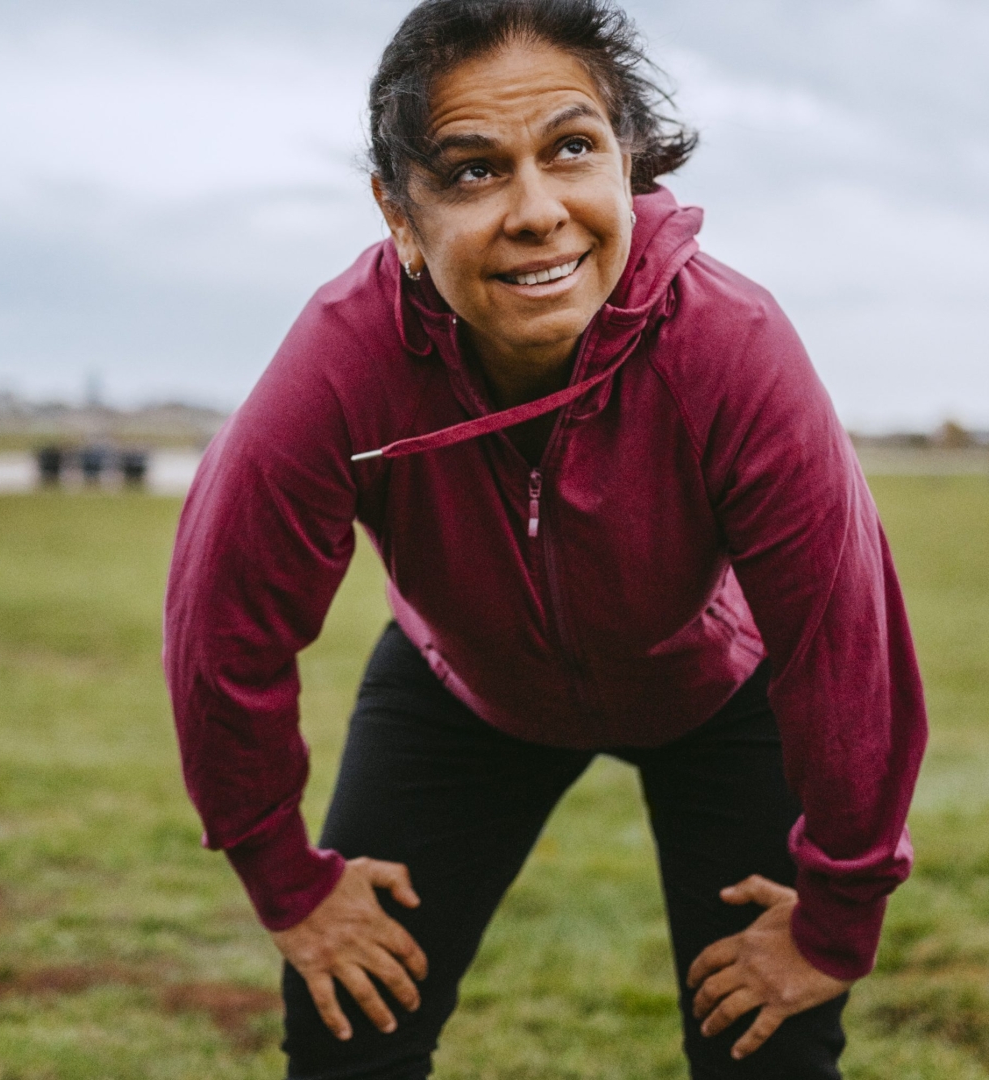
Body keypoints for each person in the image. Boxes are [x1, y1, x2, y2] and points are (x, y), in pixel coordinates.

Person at [164, 1, 927, 1076]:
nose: (536, 212)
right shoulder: (342, 361)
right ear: (398, 210)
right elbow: (224, 631)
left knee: (770, 1038)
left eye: (571, 150)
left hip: (717, 688)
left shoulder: (733, 346)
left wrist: (839, 912)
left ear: (629, 166)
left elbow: (843, 643)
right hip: (463, 687)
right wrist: (285, 878)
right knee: (346, 1022)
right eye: (473, 170)